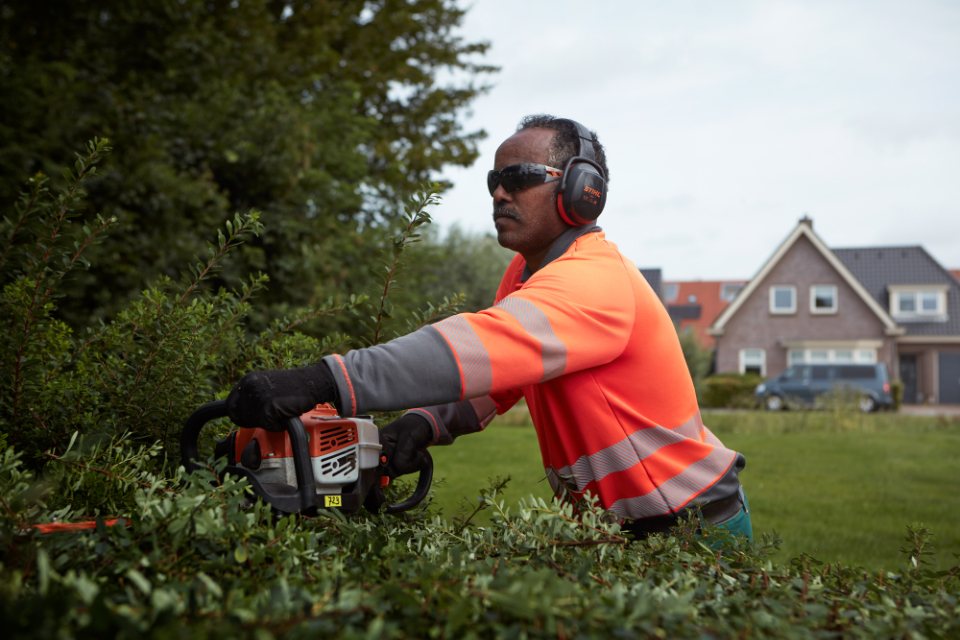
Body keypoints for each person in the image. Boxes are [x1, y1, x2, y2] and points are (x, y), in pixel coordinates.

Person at [227, 115, 752, 541]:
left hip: (691, 526)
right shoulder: (526, 275)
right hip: (619, 531)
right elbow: (502, 377)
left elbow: (475, 346)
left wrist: (323, 381)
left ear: (582, 191)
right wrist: (421, 425)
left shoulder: (595, 279)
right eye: (493, 181)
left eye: (520, 177)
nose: (500, 193)